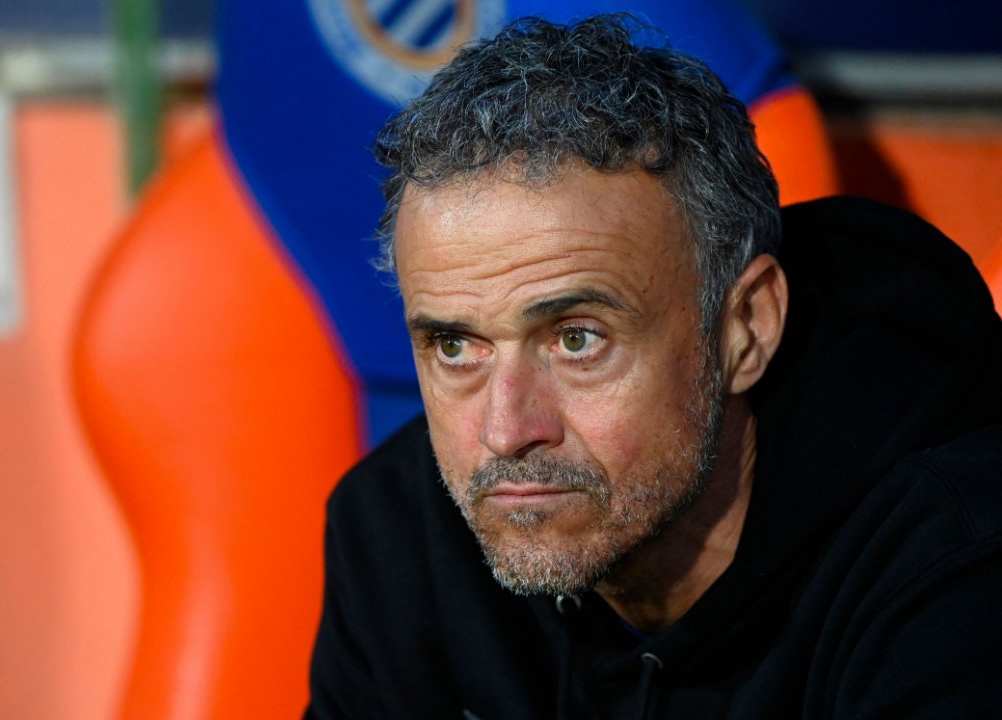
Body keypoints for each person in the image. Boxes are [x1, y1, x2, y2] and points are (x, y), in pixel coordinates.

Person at [306, 14, 1002, 720]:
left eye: (577, 339)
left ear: (746, 328)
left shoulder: (956, 568)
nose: (506, 430)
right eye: (456, 346)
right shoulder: (393, 539)